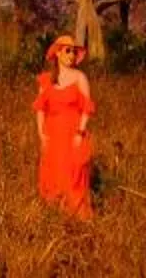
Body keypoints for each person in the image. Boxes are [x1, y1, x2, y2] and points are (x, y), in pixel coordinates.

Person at [33, 33, 95, 218]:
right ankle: (56, 216)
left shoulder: (80, 77)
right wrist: (41, 134)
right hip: (53, 133)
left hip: (73, 132)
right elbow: (40, 109)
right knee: (53, 175)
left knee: (74, 175)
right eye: (68, 51)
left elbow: (87, 108)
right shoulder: (47, 79)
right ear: (58, 53)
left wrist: (80, 132)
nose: (71, 55)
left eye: (74, 52)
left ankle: (78, 216)